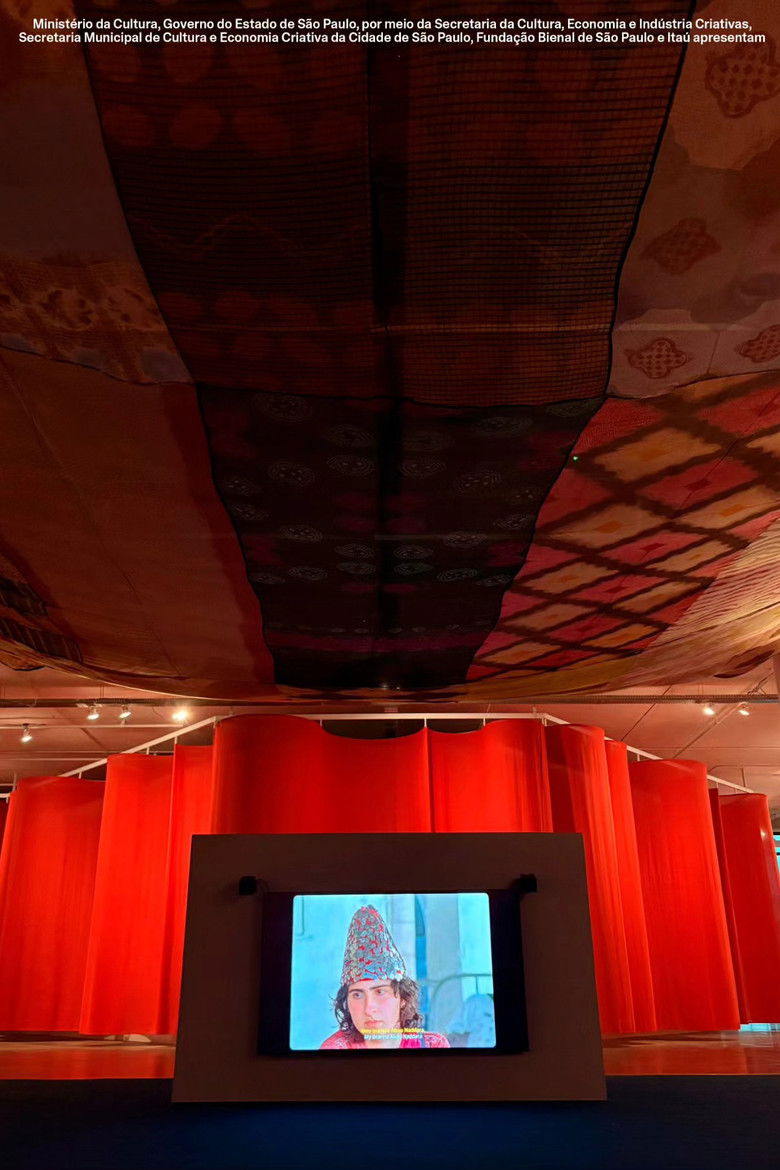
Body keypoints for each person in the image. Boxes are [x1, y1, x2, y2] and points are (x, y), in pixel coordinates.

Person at [320, 905, 450, 1050]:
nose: (369, 1008)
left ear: (402, 998)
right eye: (357, 995)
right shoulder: (336, 1049)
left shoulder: (434, 1045)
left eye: (380, 992)